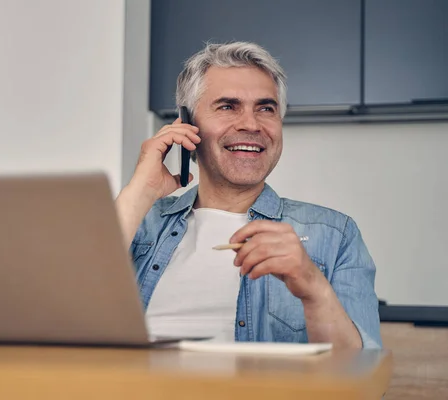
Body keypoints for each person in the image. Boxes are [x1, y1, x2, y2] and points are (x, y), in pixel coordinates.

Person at [115, 42, 381, 349]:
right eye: (228, 106)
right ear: (187, 125)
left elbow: (361, 378)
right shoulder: (139, 225)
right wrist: (140, 190)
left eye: (266, 108)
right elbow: (62, 311)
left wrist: (311, 285)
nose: (251, 125)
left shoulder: (335, 235)